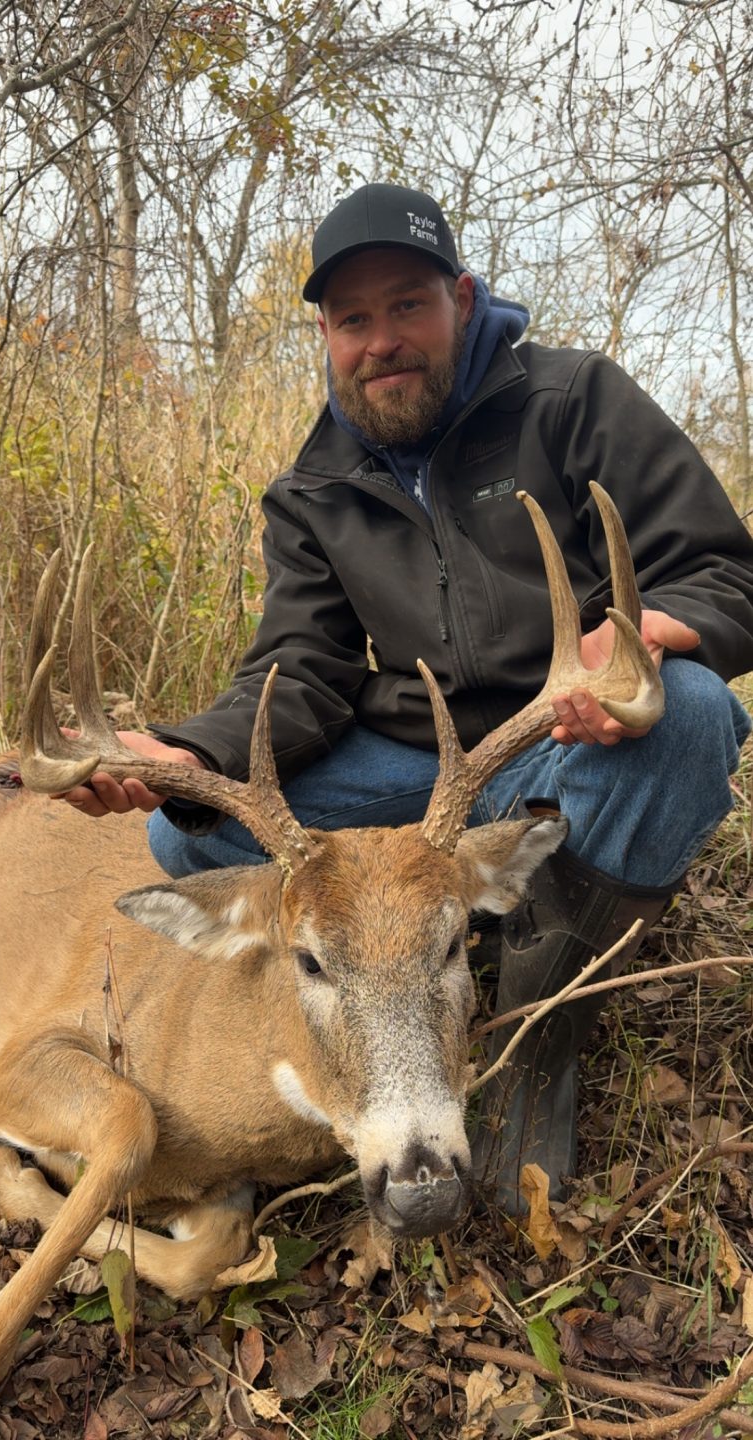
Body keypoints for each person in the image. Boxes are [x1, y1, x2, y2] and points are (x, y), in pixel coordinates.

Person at [58, 182, 753, 1209]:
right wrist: (190, 754)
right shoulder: (315, 489)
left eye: (407, 306)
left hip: (567, 738)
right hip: (418, 765)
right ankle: (400, 967)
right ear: (327, 337)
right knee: (187, 836)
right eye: (353, 319)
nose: (381, 341)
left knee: (687, 714)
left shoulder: (573, 403)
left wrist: (649, 633)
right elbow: (299, 670)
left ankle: (536, 1035)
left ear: (461, 301)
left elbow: (724, 570)